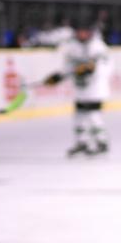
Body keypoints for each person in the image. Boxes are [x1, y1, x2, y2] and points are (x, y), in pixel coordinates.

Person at [44, 19, 112, 157]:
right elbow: (68, 67)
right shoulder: (72, 47)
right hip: (80, 88)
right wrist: (58, 77)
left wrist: (91, 69)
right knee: (79, 115)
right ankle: (82, 142)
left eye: (85, 31)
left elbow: (106, 66)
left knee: (93, 114)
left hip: (95, 88)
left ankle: (101, 142)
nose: (82, 34)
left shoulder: (98, 46)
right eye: (79, 31)